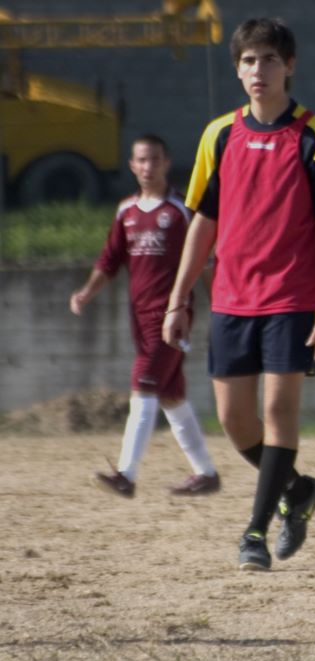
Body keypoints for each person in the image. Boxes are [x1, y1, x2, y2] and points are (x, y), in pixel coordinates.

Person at [163, 17, 315, 571]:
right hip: (230, 299)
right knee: (235, 422)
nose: (258, 70)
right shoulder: (219, 134)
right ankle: (299, 492)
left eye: (269, 59)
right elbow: (203, 220)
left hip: (292, 299)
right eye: (249, 60)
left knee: (278, 409)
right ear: (238, 68)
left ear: (289, 66)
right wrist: (179, 298)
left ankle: (254, 532)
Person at [70, 134, 221, 498]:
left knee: (144, 383)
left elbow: (205, 260)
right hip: (139, 318)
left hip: (172, 316)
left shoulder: (182, 209)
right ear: (132, 166)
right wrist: (86, 292)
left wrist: (222, 306)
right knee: (170, 394)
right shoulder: (127, 211)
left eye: (155, 159)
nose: (148, 166)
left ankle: (126, 474)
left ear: (167, 163)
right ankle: (206, 473)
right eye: (141, 160)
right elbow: (110, 260)